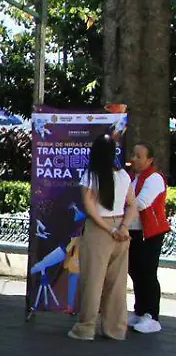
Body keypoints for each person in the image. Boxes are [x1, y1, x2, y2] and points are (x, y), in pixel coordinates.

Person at [70, 135, 138, 342]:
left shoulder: (91, 176)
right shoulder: (124, 176)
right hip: (121, 231)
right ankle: (115, 329)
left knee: (93, 280)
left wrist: (109, 230)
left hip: (100, 231)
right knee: (117, 284)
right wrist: (123, 227)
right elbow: (133, 205)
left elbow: (90, 208)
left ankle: (86, 327)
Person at [127, 142, 167, 334]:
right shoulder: (134, 178)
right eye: (133, 155)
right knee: (135, 271)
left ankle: (152, 315)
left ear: (149, 160)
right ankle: (140, 310)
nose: (133, 159)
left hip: (149, 233)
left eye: (139, 156)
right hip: (134, 232)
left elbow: (141, 203)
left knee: (148, 273)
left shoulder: (154, 178)